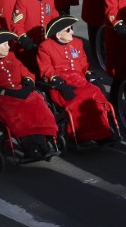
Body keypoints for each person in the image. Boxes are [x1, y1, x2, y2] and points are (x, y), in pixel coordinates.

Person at [0, 31, 59, 160]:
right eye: (5, 44)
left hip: (19, 92)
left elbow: (27, 73)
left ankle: (43, 142)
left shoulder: (12, 57)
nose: (8, 47)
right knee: (20, 113)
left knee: (38, 105)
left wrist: (28, 84)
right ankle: (30, 147)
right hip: (1, 98)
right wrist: (10, 92)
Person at [37, 16, 117, 145]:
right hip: (61, 85)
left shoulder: (77, 43)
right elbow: (46, 70)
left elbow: (83, 64)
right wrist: (60, 84)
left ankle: (103, 132)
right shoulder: (45, 47)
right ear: (58, 34)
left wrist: (89, 74)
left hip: (80, 80)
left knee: (97, 95)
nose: (72, 32)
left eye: (72, 28)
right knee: (79, 101)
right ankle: (83, 136)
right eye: (68, 30)